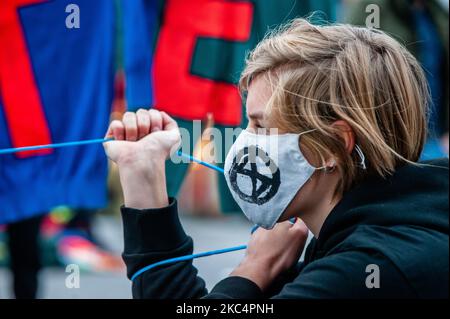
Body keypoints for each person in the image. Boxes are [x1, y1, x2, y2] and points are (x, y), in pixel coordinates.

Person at [103, 19, 449, 298]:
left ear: (335, 144)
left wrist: (253, 271)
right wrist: (143, 175)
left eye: (261, 124)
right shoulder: (387, 228)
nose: (245, 141)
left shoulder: (369, 266)